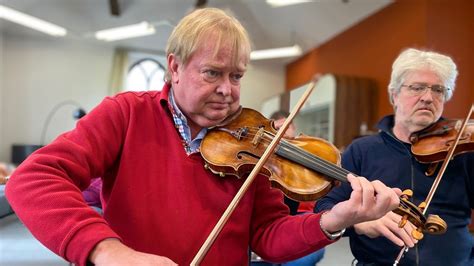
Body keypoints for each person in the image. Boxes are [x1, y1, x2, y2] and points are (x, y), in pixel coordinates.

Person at [6, 8, 401, 266]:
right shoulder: (126, 113)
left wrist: (334, 219)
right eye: (213, 73)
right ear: (175, 67)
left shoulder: (257, 143)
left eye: (237, 76)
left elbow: (268, 237)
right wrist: (108, 251)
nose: (228, 90)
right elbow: (33, 179)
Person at [316, 48, 474, 266]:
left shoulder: (463, 150)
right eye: (417, 87)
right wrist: (359, 222)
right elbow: (325, 206)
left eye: (438, 90)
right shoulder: (362, 150)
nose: (428, 97)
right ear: (395, 95)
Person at [271, 110, 325, 266]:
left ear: (293, 127)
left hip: (303, 215)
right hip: (272, 219)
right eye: (278, 127)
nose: (284, 131)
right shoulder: (266, 156)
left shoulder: (308, 150)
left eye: (287, 126)